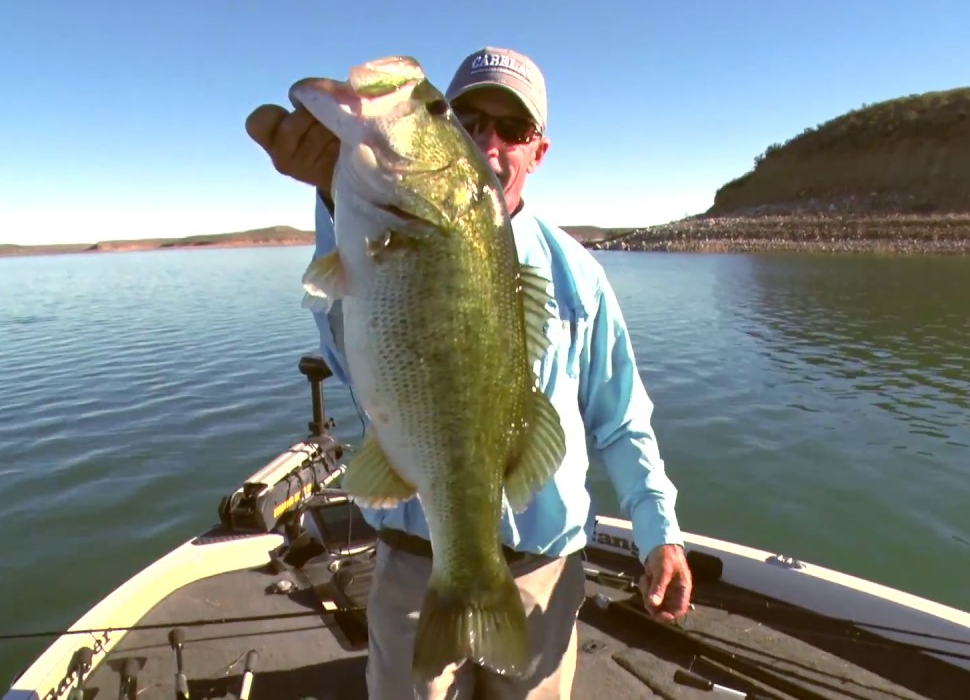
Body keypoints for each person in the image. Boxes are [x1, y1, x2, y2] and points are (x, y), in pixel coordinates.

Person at [245, 46, 692, 700]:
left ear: (538, 152)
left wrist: (659, 534)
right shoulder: (369, 225)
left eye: (512, 128)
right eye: (468, 119)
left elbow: (620, 422)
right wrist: (332, 195)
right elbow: (348, 361)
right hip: (412, 569)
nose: (489, 140)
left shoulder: (580, 277)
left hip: (543, 573)